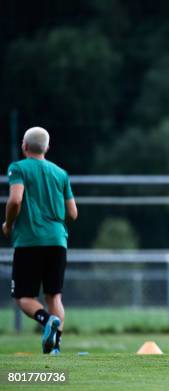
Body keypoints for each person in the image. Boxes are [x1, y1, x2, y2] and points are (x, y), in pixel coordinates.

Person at [3, 127, 77, 355]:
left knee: (24, 297)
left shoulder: (18, 168)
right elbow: (73, 213)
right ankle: (55, 348)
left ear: (24, 146)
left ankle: (47, 321)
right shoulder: (61, 173)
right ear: (48, 147)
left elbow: (15, 200)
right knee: (54, 296)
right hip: (57, 241)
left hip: (29, 241)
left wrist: (8, 224)